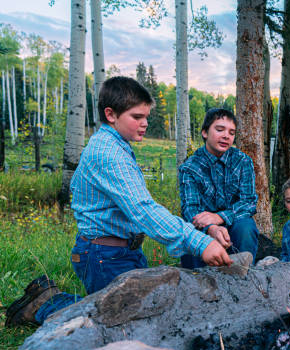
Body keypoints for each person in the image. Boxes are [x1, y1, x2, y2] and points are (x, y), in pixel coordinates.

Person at [5, 77, 231, 327]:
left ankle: (55, 301)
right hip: (104, 255)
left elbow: (138, 205)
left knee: (145, 310)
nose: (145, 123)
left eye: (146, 116)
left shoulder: (116, 145)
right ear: (111, 114)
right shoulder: (109, 154)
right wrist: (198, 241)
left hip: (122, 250)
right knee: (114, 322)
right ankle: (45, 305)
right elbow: (143, 211)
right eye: (137, 117)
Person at [178, 108, 259, 268]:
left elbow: (249, 202)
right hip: (203, 226)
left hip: (234, 222)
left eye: (231, 132)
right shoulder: (189, 167)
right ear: (205, 133)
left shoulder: (242, 161)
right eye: (219, 129)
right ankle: (197, 281)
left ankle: (244, 276)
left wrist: (220, 217)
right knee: (189, 233)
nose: (226, 136)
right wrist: (211, 227)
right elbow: (190, 209)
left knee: (246, 226)